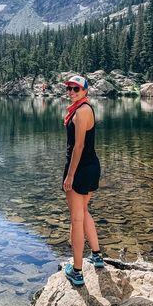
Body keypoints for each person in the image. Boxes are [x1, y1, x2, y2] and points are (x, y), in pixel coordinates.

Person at [62, 74, 103, 287]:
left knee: (76, 219)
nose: (71, 92)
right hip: (90, 168)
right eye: (69, 88)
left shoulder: (81, 112)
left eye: (76, 89)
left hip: (79, 170)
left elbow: (79, 147)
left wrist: (69, 176)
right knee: (84, 211)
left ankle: (76, 271)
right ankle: (96, 255)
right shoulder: (85, 108)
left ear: (85, 91)